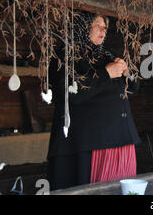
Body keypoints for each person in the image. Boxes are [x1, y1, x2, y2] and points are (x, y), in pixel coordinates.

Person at [47, 13, 141, 191]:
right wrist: (106, 73)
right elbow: (67, 94)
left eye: (105, 26)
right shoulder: (66, 56)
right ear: (81, 28)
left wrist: (129, 73)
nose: (103, 30)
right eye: (98, 25)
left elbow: (133, 89)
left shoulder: (107, 56)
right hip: (92, 143)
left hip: (121, 139)